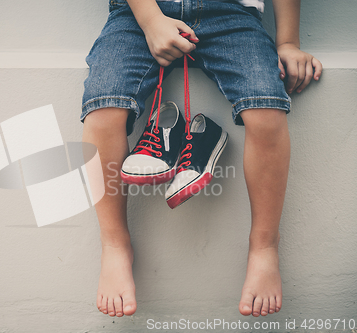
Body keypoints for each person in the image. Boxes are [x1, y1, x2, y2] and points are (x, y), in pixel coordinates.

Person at [81, 0, 322, 318]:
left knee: (266, 110)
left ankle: (264, 247)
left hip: (231, 14)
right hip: (139, 13)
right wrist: (152, 19)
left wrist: (288, 42)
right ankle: (114, 244)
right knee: (102, 110)